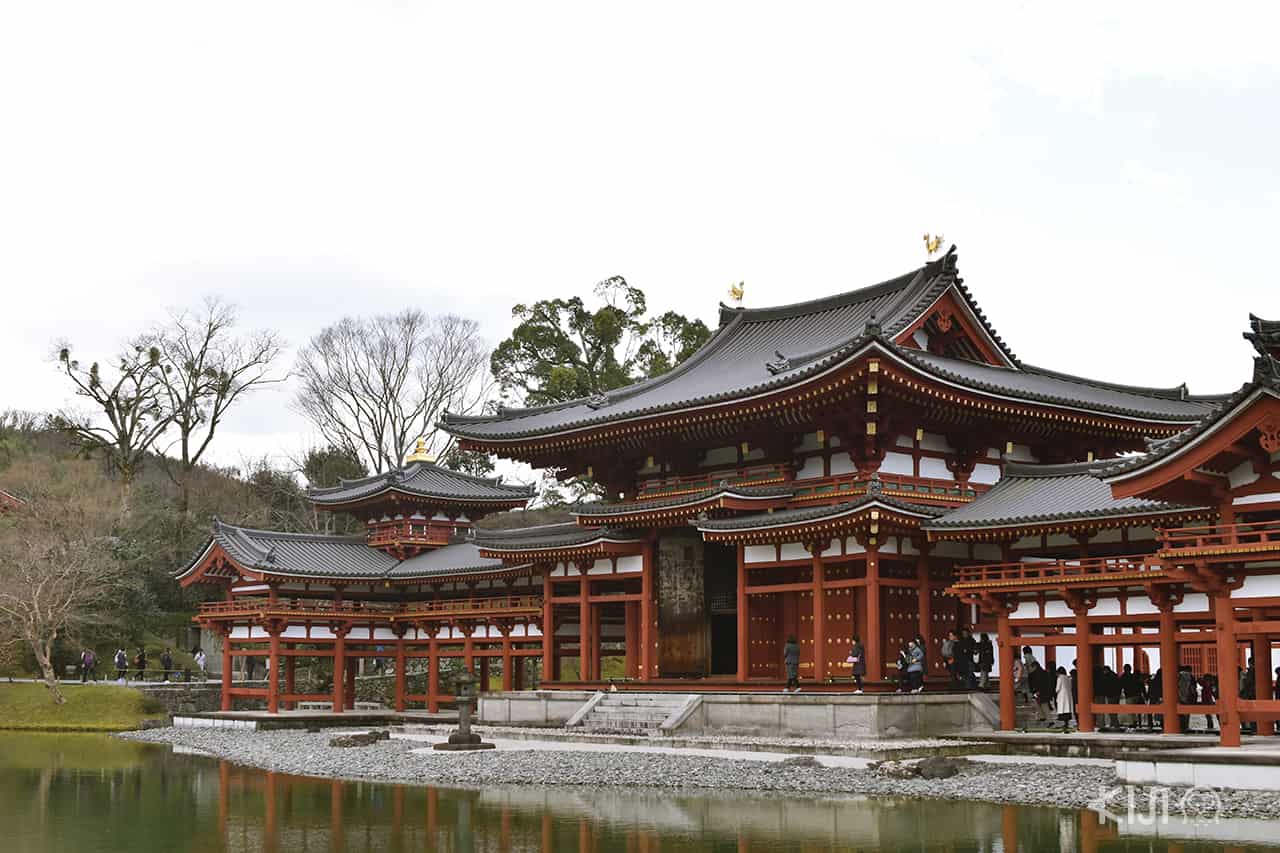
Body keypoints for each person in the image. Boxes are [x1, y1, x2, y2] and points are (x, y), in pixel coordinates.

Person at [1119, 664, 1142, 729]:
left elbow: (1120, 686)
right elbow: (1139, 685)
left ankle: (1132, 723)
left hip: (1129, 695)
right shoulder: (1133, 676)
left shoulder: (1123, 677)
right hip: (1136, 695)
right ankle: (1136, 722)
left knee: (1130, 710)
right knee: (1136, 710)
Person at [1054, 666, 1073, 731]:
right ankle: (1066, 723)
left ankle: (1064, 724)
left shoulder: (1060, 678)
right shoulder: (1068, 678)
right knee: (1067, 709)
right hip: (1068, 695)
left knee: (1062, 709)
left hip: (1061, 695)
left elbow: (1057, 688)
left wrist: (1055, 691)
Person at [1177, 666, 1195, 733]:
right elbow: (1192, 688)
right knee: (1186, 713)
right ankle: (1185, 727)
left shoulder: (1178, 675)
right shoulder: (1191, 676)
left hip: (1179, 696)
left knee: (1179, 713)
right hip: (1187, 696)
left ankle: (1180, 726)